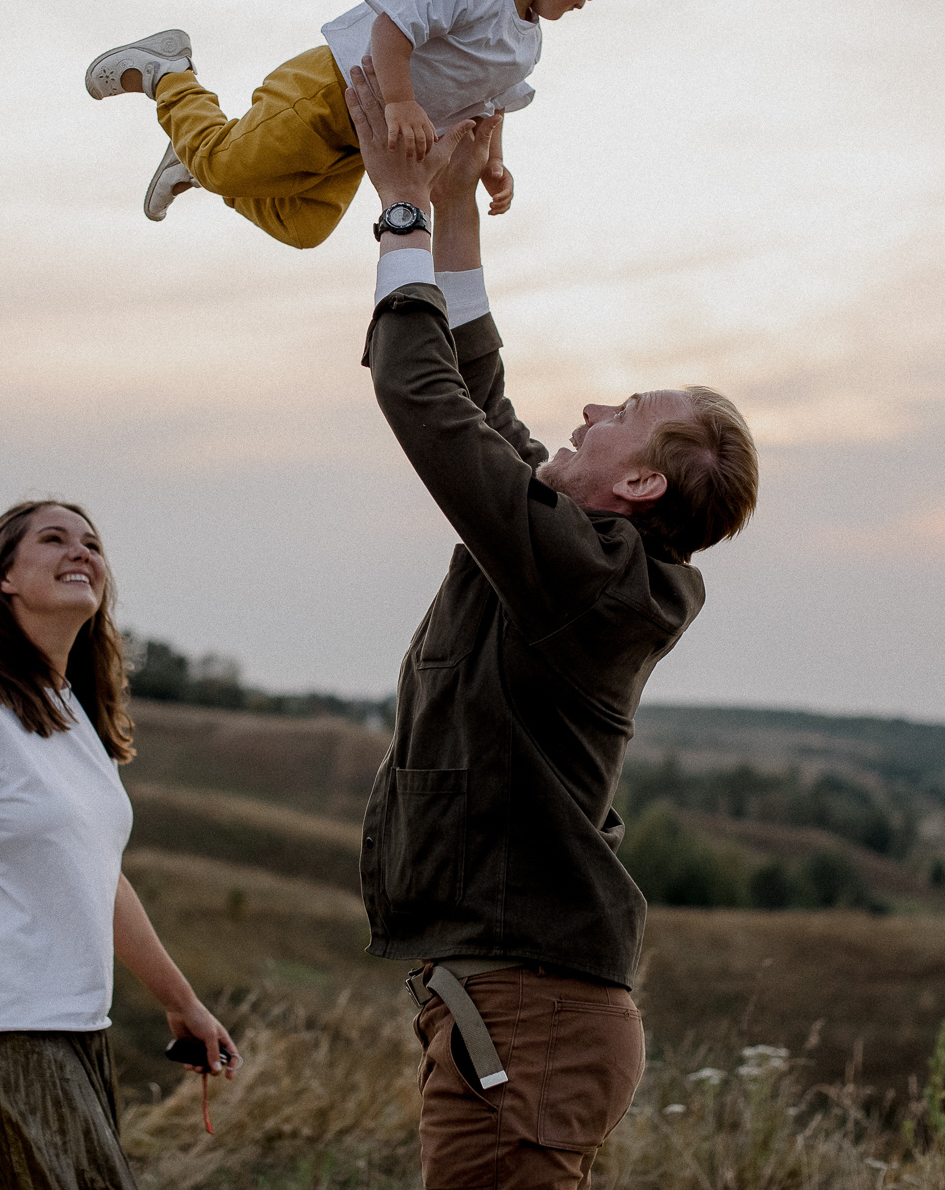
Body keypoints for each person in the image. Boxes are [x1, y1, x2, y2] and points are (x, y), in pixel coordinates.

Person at [341, 62, 758, 1189]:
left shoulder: (589, 578)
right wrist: (465, 203)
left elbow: (427, 405)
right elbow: (479, 399)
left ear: (639, 491)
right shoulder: (573, 554)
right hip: (515, 1005)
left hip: (528, 1017)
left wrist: (403, 210)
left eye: (623, 417)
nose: (590, 410)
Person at [0, 500, 239, 1189]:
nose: (81, 552)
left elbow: (100, 879)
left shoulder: (70, 713)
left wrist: (181, 1001)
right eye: (54, 539)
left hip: (70, 1030)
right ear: (3, 577)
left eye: (92, 544)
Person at [81, 0, 641, 249]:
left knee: (304, 229)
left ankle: (199, 156)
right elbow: (391, 26)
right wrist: (400, 102)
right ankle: (169, 73)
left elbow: (488, 106)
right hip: (330, 94)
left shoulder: (527, 45)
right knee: (228, 164)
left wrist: (493, 163)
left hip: (363, 142)